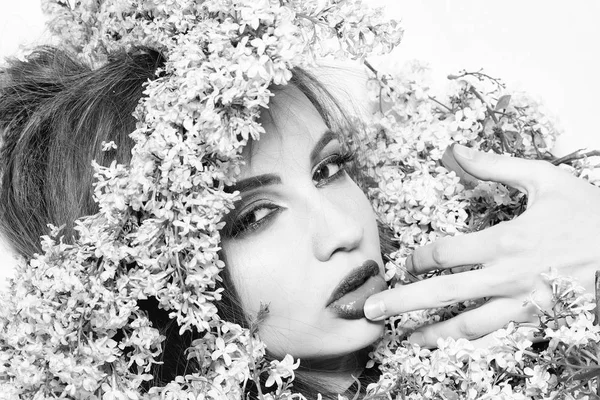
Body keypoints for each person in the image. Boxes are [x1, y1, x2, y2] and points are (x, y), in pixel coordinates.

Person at [2, 45, 600, 398]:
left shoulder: (509, 327)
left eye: (330, 168)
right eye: (255, 216)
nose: (342, 231)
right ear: (141, 288)